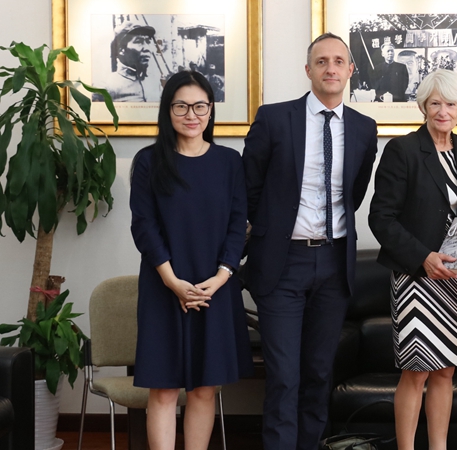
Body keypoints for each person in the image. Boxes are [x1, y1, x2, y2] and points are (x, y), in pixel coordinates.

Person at [242, 33, 379, 449]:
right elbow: (249, 188)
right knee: (284, 376)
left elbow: (354, 192)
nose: (330, 68)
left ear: (351, 70)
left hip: (335, 264)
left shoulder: (364, 128)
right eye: (321, 61)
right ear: (308, 70)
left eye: (338, 61)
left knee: (319, 374)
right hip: (283, 263)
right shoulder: (273, 118)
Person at [129, 71, 251, 450]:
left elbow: (238, 225)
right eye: (181, 106)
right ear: (168, 111)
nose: (191, 115)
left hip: (215, 287)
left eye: (200, 106)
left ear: (211, 110)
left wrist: (221, 276)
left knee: (204, 388)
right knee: (164, 389)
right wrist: (172, 281)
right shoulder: (149, 161)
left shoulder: (229, 162)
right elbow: (144, 226)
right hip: (164, 286)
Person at [367, 69, 457, 450]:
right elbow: (381, 218)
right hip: (417, 278)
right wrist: (423, 257)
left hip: (456, 279)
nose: (443, 111)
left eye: (450, 104)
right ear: (423, 106)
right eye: (435, 103)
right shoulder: (402, 150)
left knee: (446, 371)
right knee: (416, 372)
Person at [95, 21, 159, 102]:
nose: (147, 48)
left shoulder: (155, 82)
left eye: (148, 42)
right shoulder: (105, 86)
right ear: (121, 50)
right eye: (139, 41)